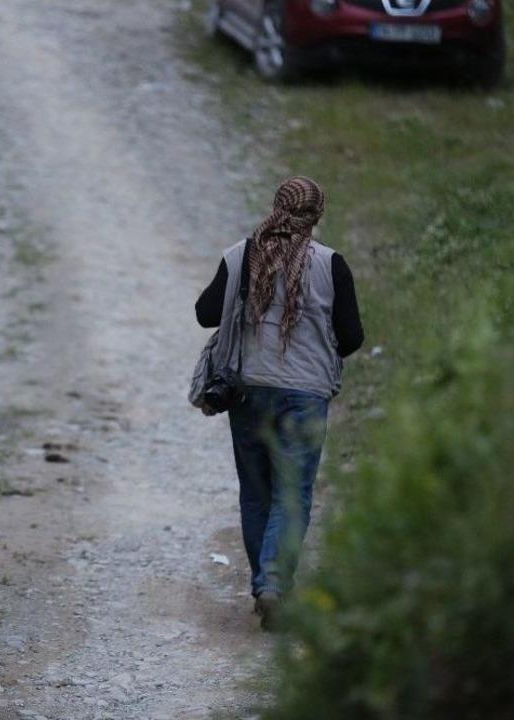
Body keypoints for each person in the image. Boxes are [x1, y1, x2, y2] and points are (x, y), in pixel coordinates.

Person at [195, 176, 363, 630]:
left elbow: (204, 313)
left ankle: (263, 585)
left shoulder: (241, 255)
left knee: (256, 492)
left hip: (247, 390)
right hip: (304, 395)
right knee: (292, 493)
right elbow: (352, 338)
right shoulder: (332, 265)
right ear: (317, 216)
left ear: (276, 207)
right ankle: (273, 585)